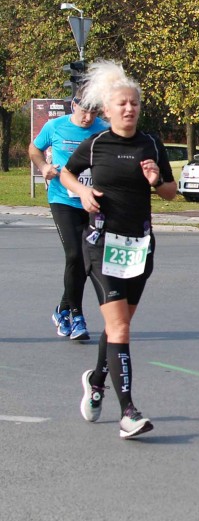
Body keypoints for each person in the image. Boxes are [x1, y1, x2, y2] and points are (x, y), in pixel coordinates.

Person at [59, 60, 177, 439]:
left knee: (118, 326)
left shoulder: (152, 143)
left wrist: (156, 179)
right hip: (101, 244)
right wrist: (82, 193)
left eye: (135, 104)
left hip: (140, 246)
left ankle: (96, 379)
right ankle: (128, 410)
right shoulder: (94, 144)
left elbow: (171, 193)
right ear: (107, 110)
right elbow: (66, 173)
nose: (129, 109)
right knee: (121, 326)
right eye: (122, 104)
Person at [29, 100, 108, 341]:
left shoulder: (104, 129)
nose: (88, 118)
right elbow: (34, 149)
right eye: (84, 112)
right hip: (63, 199)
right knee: (74, 254)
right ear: (74, 105)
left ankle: (62, 309)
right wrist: (43, 167)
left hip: (93, 202)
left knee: (87, 260)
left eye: (94, 113)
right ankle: (76, 316)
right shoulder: (55, 126)